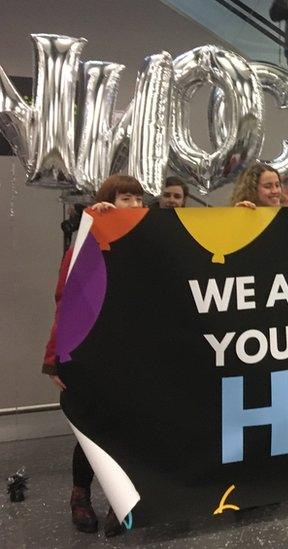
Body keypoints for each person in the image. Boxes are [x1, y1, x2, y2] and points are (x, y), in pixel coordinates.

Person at [43, 174, 145, 537]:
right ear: (108, 201)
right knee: (90, 427)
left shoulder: (145, 240)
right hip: (92, 351)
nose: (133, 205)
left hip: (132, 353)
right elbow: (65, 300)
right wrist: (54, 357)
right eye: (125, 198)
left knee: (128, 427)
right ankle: (80, 496)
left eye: (138, 198)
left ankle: (122, 501)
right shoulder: (86, 241)